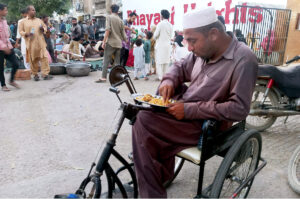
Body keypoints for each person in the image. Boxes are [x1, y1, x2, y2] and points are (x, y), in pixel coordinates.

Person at [132, 7, 258, 198]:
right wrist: (169, 80)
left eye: (192, 41)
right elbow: (180, 66)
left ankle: (152, 189)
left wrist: (190, 110)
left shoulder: (243, 58)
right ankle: (155, 172)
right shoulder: (202, 51)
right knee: (140, 112)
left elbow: (239, 109)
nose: (189, 47)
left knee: (144, 120)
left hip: (208, 126)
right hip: (185, 111)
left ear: (214, 34)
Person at [19, 5, 52, 81]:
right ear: (28, 12)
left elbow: (45, 28)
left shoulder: (39, 20)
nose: (34, 11)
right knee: (33, 60)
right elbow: (20, 31)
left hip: (41, 43)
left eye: (34, 10)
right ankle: (35, 74)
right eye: (33, 10)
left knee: (44, 58)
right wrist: (26, 34)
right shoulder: (23, 22)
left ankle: (45, 74)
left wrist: (43, 29)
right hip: (31, 44)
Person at [95, 4, 127, 83]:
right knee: (117, 63)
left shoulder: (109, 17)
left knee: (106, 60)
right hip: (119, 44)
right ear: (118, 11)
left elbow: (107, 30)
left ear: (111, 10)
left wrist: (104, 41)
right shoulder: (120, 20)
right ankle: (117, 78)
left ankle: (103, 78)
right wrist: (126, 41)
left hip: (111, 43)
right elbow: (124, 34)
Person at [0, 4, 20, 91]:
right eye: (5, 10)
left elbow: (7, 36)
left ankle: (11, 80)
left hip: (8, 46)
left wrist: (12, 44)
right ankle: (3, 85)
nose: (6, 12)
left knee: (16, 64)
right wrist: (3, 47)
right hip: (1, 48)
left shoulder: (4, 21)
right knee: (1, 67)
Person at [153, 9, 173, 81]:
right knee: (166, 62)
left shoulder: (160, 24)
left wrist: (156, 38)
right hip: (167, 46)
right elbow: (171, 36)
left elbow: (155, 35)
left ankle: (160, 77)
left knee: (159, 62)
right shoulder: (170, 25)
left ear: (162, 15)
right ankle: (165, 77)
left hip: (160, 45)